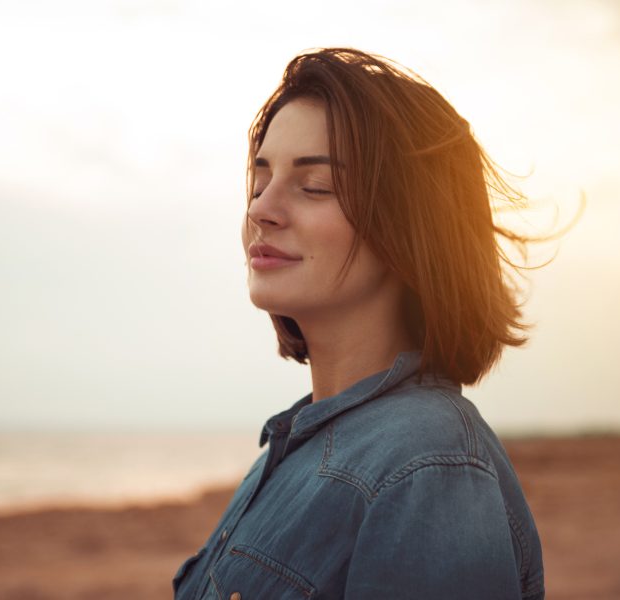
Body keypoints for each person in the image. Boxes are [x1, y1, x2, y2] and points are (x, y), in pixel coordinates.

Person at [173, 47, 544, 600]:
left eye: (314, 186)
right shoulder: (293, 450)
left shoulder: (426, 466)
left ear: (410, 225)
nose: (260, 209)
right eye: (259, 181)